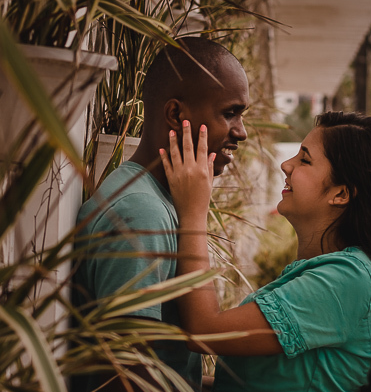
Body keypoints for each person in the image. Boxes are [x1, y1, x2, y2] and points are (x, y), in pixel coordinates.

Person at [161, 111, 371, 392]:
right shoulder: (333, 273)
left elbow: (204, 330)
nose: (286, 165)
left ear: (341, 194)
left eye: (305, 159)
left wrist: (194, 212)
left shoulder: (347, 279)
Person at [71, 37, 250, 391]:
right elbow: (125, 377)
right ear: (175, 114)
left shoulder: (154, 200)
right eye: (230, 113)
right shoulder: (140, 214)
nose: (241, 132)